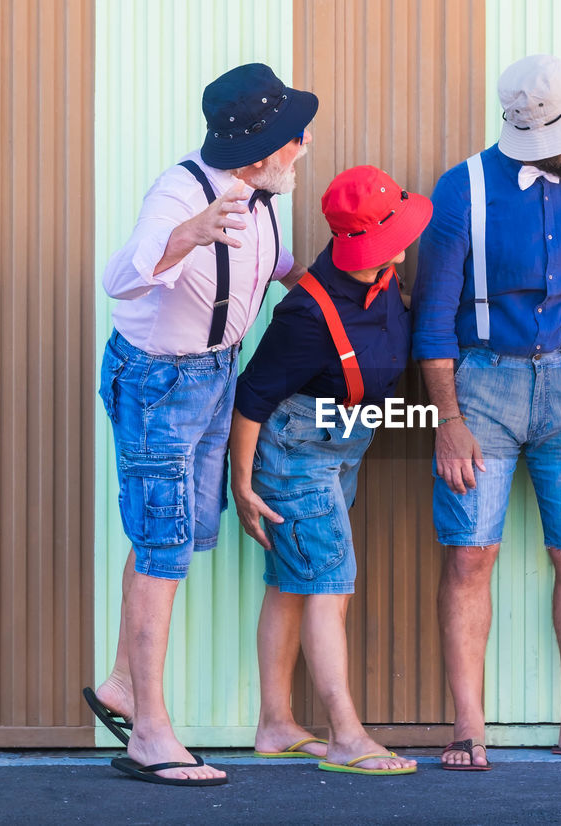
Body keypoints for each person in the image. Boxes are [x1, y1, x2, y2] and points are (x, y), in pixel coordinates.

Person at [412, 54, 561, 770]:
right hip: (480, 389)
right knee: (469, 555)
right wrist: (447, 421)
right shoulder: (462, 191)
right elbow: (432, 318)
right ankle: (468, 729)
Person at [85, 63, 317, 786]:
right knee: (162, 544)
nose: (304, 145)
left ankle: (124, 683)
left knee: (178, 532)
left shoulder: (261, 193)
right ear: (260, 151)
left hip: (215, 372)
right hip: (159, 382)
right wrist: (185, 235)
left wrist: (340, 294)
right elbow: (121, 277)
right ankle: (149, 734)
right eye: (292, 138)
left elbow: (271, 265)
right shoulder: (180, 193)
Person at [230, 166, 432, 776]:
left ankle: (274, 725)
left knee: (294, 582)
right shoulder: (306, 315)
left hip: (344, 446)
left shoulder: (385, 280)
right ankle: (346, 735)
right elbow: (252, 399)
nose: (408, 238)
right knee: (328, 585)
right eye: (396, 229)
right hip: (295, 456)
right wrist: (242, 485)